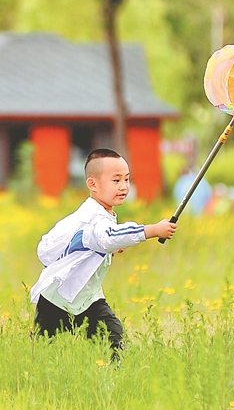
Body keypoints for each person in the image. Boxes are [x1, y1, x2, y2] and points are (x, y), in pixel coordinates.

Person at [30, 148, 177, 356]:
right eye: (116, 181)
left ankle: (114, 381)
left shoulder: (99, 212)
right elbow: (107, 236)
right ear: (93, 184)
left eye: (126, 179)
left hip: (88, 299)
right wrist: (152, 230)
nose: (124, 187)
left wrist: (106, 249)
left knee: (114, 340)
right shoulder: (93, 217)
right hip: (58, 300)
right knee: (45, 353)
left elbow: (94, 242)